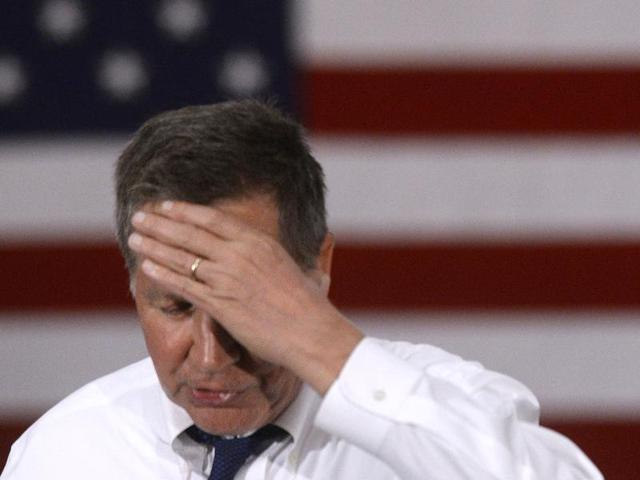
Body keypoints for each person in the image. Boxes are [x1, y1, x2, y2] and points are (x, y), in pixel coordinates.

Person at [1, 100, 603, 480]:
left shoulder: (444, 408)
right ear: (133, 284)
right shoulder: (65, 451)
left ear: (318, 267)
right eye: (176, 306)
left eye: (242, 304)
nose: (210, 359)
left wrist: (324, 348)